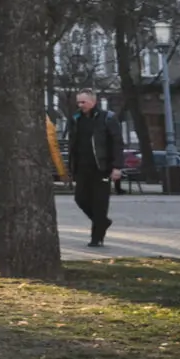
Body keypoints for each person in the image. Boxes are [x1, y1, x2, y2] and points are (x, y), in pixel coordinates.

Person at [65, 88, 123, 248]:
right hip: (82, 167)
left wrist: (117, 166)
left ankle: (97, 238)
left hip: (101, 167)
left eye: (83, 102)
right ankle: (103, 222)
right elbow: (73, 143)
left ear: (93, 101)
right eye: (78, 102)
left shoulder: (107, 118)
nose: (80, 105)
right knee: (80, 198)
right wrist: (71, 166)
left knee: (100, 204)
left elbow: (117, 143)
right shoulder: (76, 119)